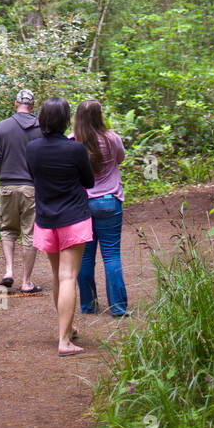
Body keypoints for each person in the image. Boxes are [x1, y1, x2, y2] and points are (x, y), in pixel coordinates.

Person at [25, 96, 94, 356]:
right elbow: (88, 182)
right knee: (68, 277)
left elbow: (34, 178)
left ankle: (66, 328)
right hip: (73, 216)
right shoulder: (75, 149)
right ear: (66, 121)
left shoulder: (32, 148)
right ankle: (64, 341)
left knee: (57, 276)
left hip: (46, 218)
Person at [73, 99, 128, 318]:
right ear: (99, 116)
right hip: (109, 200)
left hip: (83, 204)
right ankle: (118, 307)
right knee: (112, 255)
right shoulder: (112, 139)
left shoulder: (73, 142)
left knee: (85, 257)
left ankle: (88, 305)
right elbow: (120, 159)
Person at [0, 89, 42, 294]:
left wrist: (4, 173)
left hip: (7, 185)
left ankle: (9, 271)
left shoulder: (2, 126)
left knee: (7, 229)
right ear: (33, 106)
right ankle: (26, 281)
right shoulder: (41, 127)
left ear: (15, 104)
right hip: (32, 186)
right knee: (30, 233)